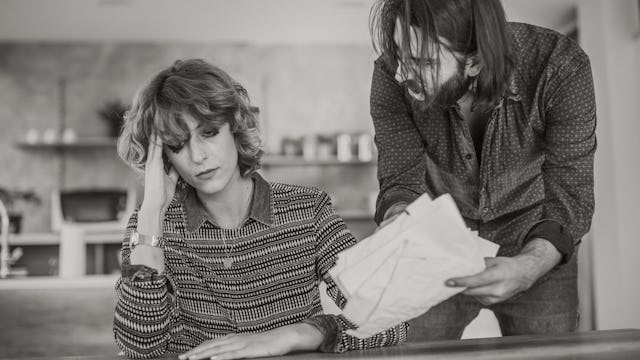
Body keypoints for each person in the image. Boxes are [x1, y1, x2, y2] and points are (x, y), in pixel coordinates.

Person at [113, 58, 407, 359]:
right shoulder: (149, 227)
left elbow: (389, 318)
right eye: (177, 145)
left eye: (210, 132)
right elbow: (139, 349)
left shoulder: (309, 211)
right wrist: (151, 214)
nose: (197, 156)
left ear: (235, 127)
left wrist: (294, 335)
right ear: (163, 159)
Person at [368, 0, 596, 340]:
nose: (402, 73)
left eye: (422, 62)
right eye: (401, 55)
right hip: (437, 247)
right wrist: (399, 220)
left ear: (474, 61)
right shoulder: (393, 73)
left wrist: (529, 265)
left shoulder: (560, 67)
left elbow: (570, 191)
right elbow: (400, 175)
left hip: (535, 240)